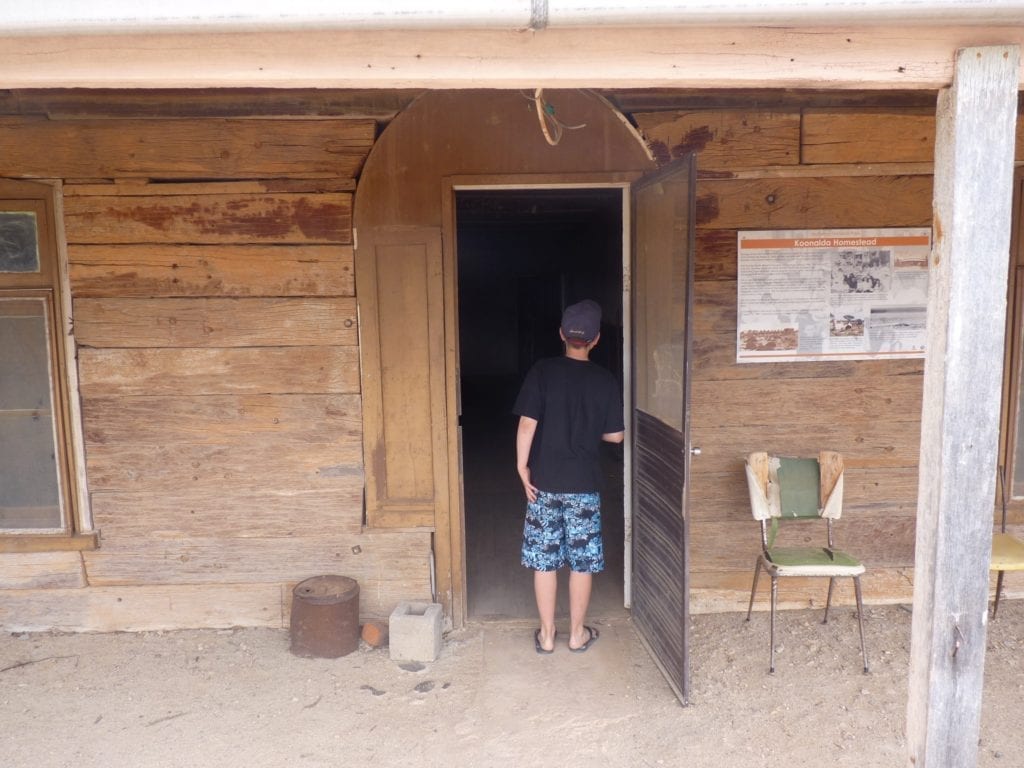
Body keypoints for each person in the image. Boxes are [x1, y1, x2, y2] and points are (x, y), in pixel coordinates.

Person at [513, 299, 625, 654]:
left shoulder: (542, 371)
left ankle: (547, 636)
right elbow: (616, 436)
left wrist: (521, 466)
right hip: (584, 485)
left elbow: (527, 424)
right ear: (596, 340)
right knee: (582, 562)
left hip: (543, 483)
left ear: (561, 334)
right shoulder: (604, 379)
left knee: (544, 560)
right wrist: (589, 428)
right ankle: (577, 635)